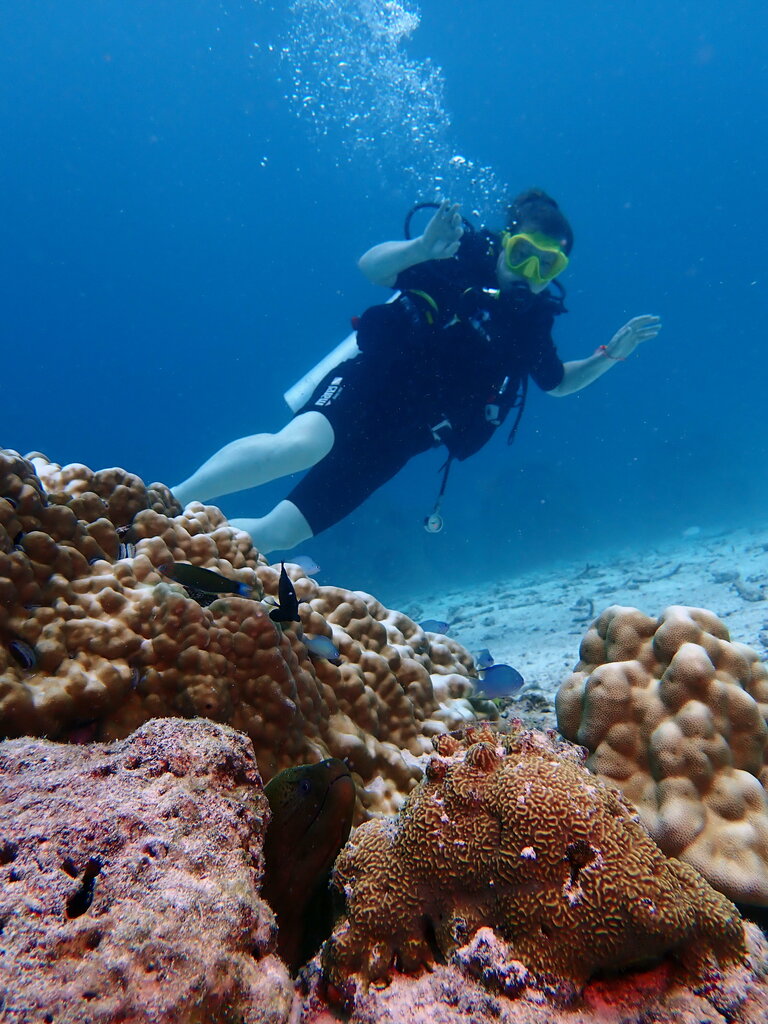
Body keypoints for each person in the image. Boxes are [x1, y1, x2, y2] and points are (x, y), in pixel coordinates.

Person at [172, 189, 661, 551]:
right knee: (300, 446)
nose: (528, 274)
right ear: (504, 241)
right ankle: (168, 501)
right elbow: (372, 267)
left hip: (404, 438)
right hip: (366, 387)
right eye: (522, 255)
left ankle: (186, 558)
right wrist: (421, 249)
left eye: (546, 267)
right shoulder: (456, 257)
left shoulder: (529, 323)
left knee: (280, 532)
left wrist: (610, 354)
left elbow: (558, 383)